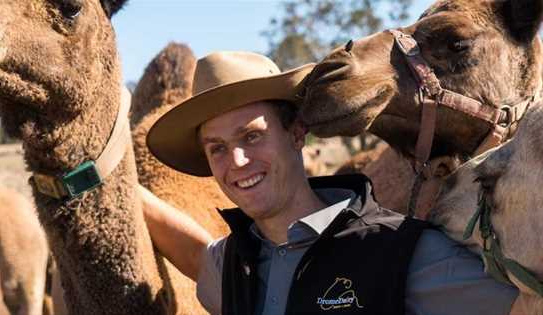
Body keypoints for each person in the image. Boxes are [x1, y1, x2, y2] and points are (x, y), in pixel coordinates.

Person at [143, 51, 518, 315]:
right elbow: (194, 255)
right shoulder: (233, 263)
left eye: (252, 137)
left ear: (296, 133)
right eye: (218, 148)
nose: (237, 161)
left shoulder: (402, 252)